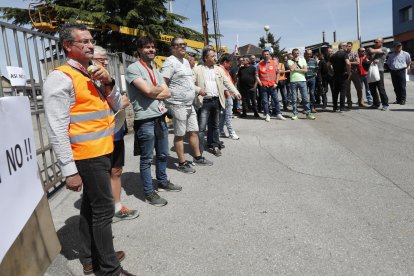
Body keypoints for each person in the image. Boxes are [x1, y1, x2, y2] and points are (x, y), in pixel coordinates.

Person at [43, 23, 134, 276]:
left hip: (103, 150)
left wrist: (109, 82)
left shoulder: (93, 74)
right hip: (86, 155)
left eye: (91, 40)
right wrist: (69, 170)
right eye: (83, 41)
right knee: (104, 210)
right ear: (67, 46)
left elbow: (117, 105)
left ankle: (91, 258)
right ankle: (109, 269)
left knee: (90, 208)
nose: (90, 44)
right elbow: (56, 129)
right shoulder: (60, 78)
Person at [126, 36, 182, 207]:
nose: (151, 50)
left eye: (153, 47)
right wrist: (154, 90)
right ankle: (149, 192)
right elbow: (147, 90)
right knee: (147, 158)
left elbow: (167, 92)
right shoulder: (133, 68)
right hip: (145, 120)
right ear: (139, 50)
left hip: (159, 117)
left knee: (163, 153)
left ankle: (163, 181)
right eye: (147, 47)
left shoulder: (154, 69)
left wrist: (153, 91)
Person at [92, 46, 139, 223]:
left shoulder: (108, 79)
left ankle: (117, 206)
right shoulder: (86, 80)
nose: (104, 62)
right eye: (99, 59)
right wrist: (119, 103)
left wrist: (120, 102)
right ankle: (103, 211)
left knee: (116, 171)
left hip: (116, 131)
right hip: (99, 136)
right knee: (101, 174)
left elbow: (121, 101)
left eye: (105, 59)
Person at [160, 37, 213, 174]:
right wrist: (164, 101)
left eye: (184, 44)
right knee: (179, 134)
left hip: (189, 104)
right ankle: (182, 162)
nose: (182, 47)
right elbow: (162, 82)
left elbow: (188, 83)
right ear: (173, 47)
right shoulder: (170, 62)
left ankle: (198, 157)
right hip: (177, 104)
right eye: (179, 45)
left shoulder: (185, 62)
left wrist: (197, 89)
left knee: (193, 131)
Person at [193, 47, 241, 157]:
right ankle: (199, 150)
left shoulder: (218, 69)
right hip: (204, 102)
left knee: (214, 126)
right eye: (212, 56)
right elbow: (190, 84)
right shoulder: (197, 70)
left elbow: (227, 82)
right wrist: (198, 90)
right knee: (201, 127)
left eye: (215, 56)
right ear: (205, 58)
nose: (215, 58)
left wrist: (236, 91)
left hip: (216, 101)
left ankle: (214, 145)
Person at [256, 49, 286, 122]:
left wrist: (276, 83)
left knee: (276, 100)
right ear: (262, 55)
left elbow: (278, 73)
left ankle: (278, 114)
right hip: (264, 86)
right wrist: (260, 84)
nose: (266, 55)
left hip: (272, 85)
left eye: (267, 54)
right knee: (265, 101)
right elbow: (256, 75)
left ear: (269, 55)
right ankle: (267, 114)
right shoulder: (259, 64)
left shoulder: (274, 63)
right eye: (264, 54)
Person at [218, 53, 242, 139]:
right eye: (230, 63)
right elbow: (223, 83)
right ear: (225, 62)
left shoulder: (224, 69)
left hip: (228, 95)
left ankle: (220, 130)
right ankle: (231, 132)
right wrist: (228, 94)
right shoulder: (220, 70)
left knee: (224, 115)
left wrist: (235, 92)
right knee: (228, 115)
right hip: (226, 96)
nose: (231, 65)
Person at [288, 48, 315, 120]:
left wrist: (296, 69)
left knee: (305, 98)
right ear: (293, 54)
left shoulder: (303, 60)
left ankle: (308, 113)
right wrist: (296, 62)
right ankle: (295, 113)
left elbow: (305, 70)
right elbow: (291, 69)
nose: (296, 54)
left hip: (302, 80)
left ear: (299, 53)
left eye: (297, 53)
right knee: (294, 99)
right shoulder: (290, 61)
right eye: (295, 53)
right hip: (293, 81)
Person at [367, 37, 389, 111]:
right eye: (374, 42)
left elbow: (371, 50)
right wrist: (370, 60)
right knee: (372, 88)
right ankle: (376, 104)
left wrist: (370, 50)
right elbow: (368, 58)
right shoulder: (373, 51)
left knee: (380, 88)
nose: (375, 43)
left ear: (381, 43)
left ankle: (385, 104)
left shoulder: (384, 49)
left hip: (379, 70)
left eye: (376, 42)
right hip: (371, 70)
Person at [328, 43, 351, 112]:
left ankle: (335, 107)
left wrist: (331, 72)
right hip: (343, 75)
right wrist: (349, 72)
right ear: (343, 47)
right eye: (346, 46)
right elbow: (348, 63)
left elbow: (328, 65)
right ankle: (342, 107)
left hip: (335, 75)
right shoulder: (344, 54)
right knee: (343, 91)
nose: (347, 48)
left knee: (335, 92)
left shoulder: (333, 55)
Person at [345, 42, 368, 108]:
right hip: (347, 73)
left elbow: (358, 62)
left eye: (349, 46)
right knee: (347, 89)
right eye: (347, 46)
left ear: (351, 46)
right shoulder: (344, 54)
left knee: (359, 88)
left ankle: (360, 102)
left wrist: (349, 62)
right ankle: (349, 103)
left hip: (355, 73)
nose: (348, 47)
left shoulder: (354, 53)